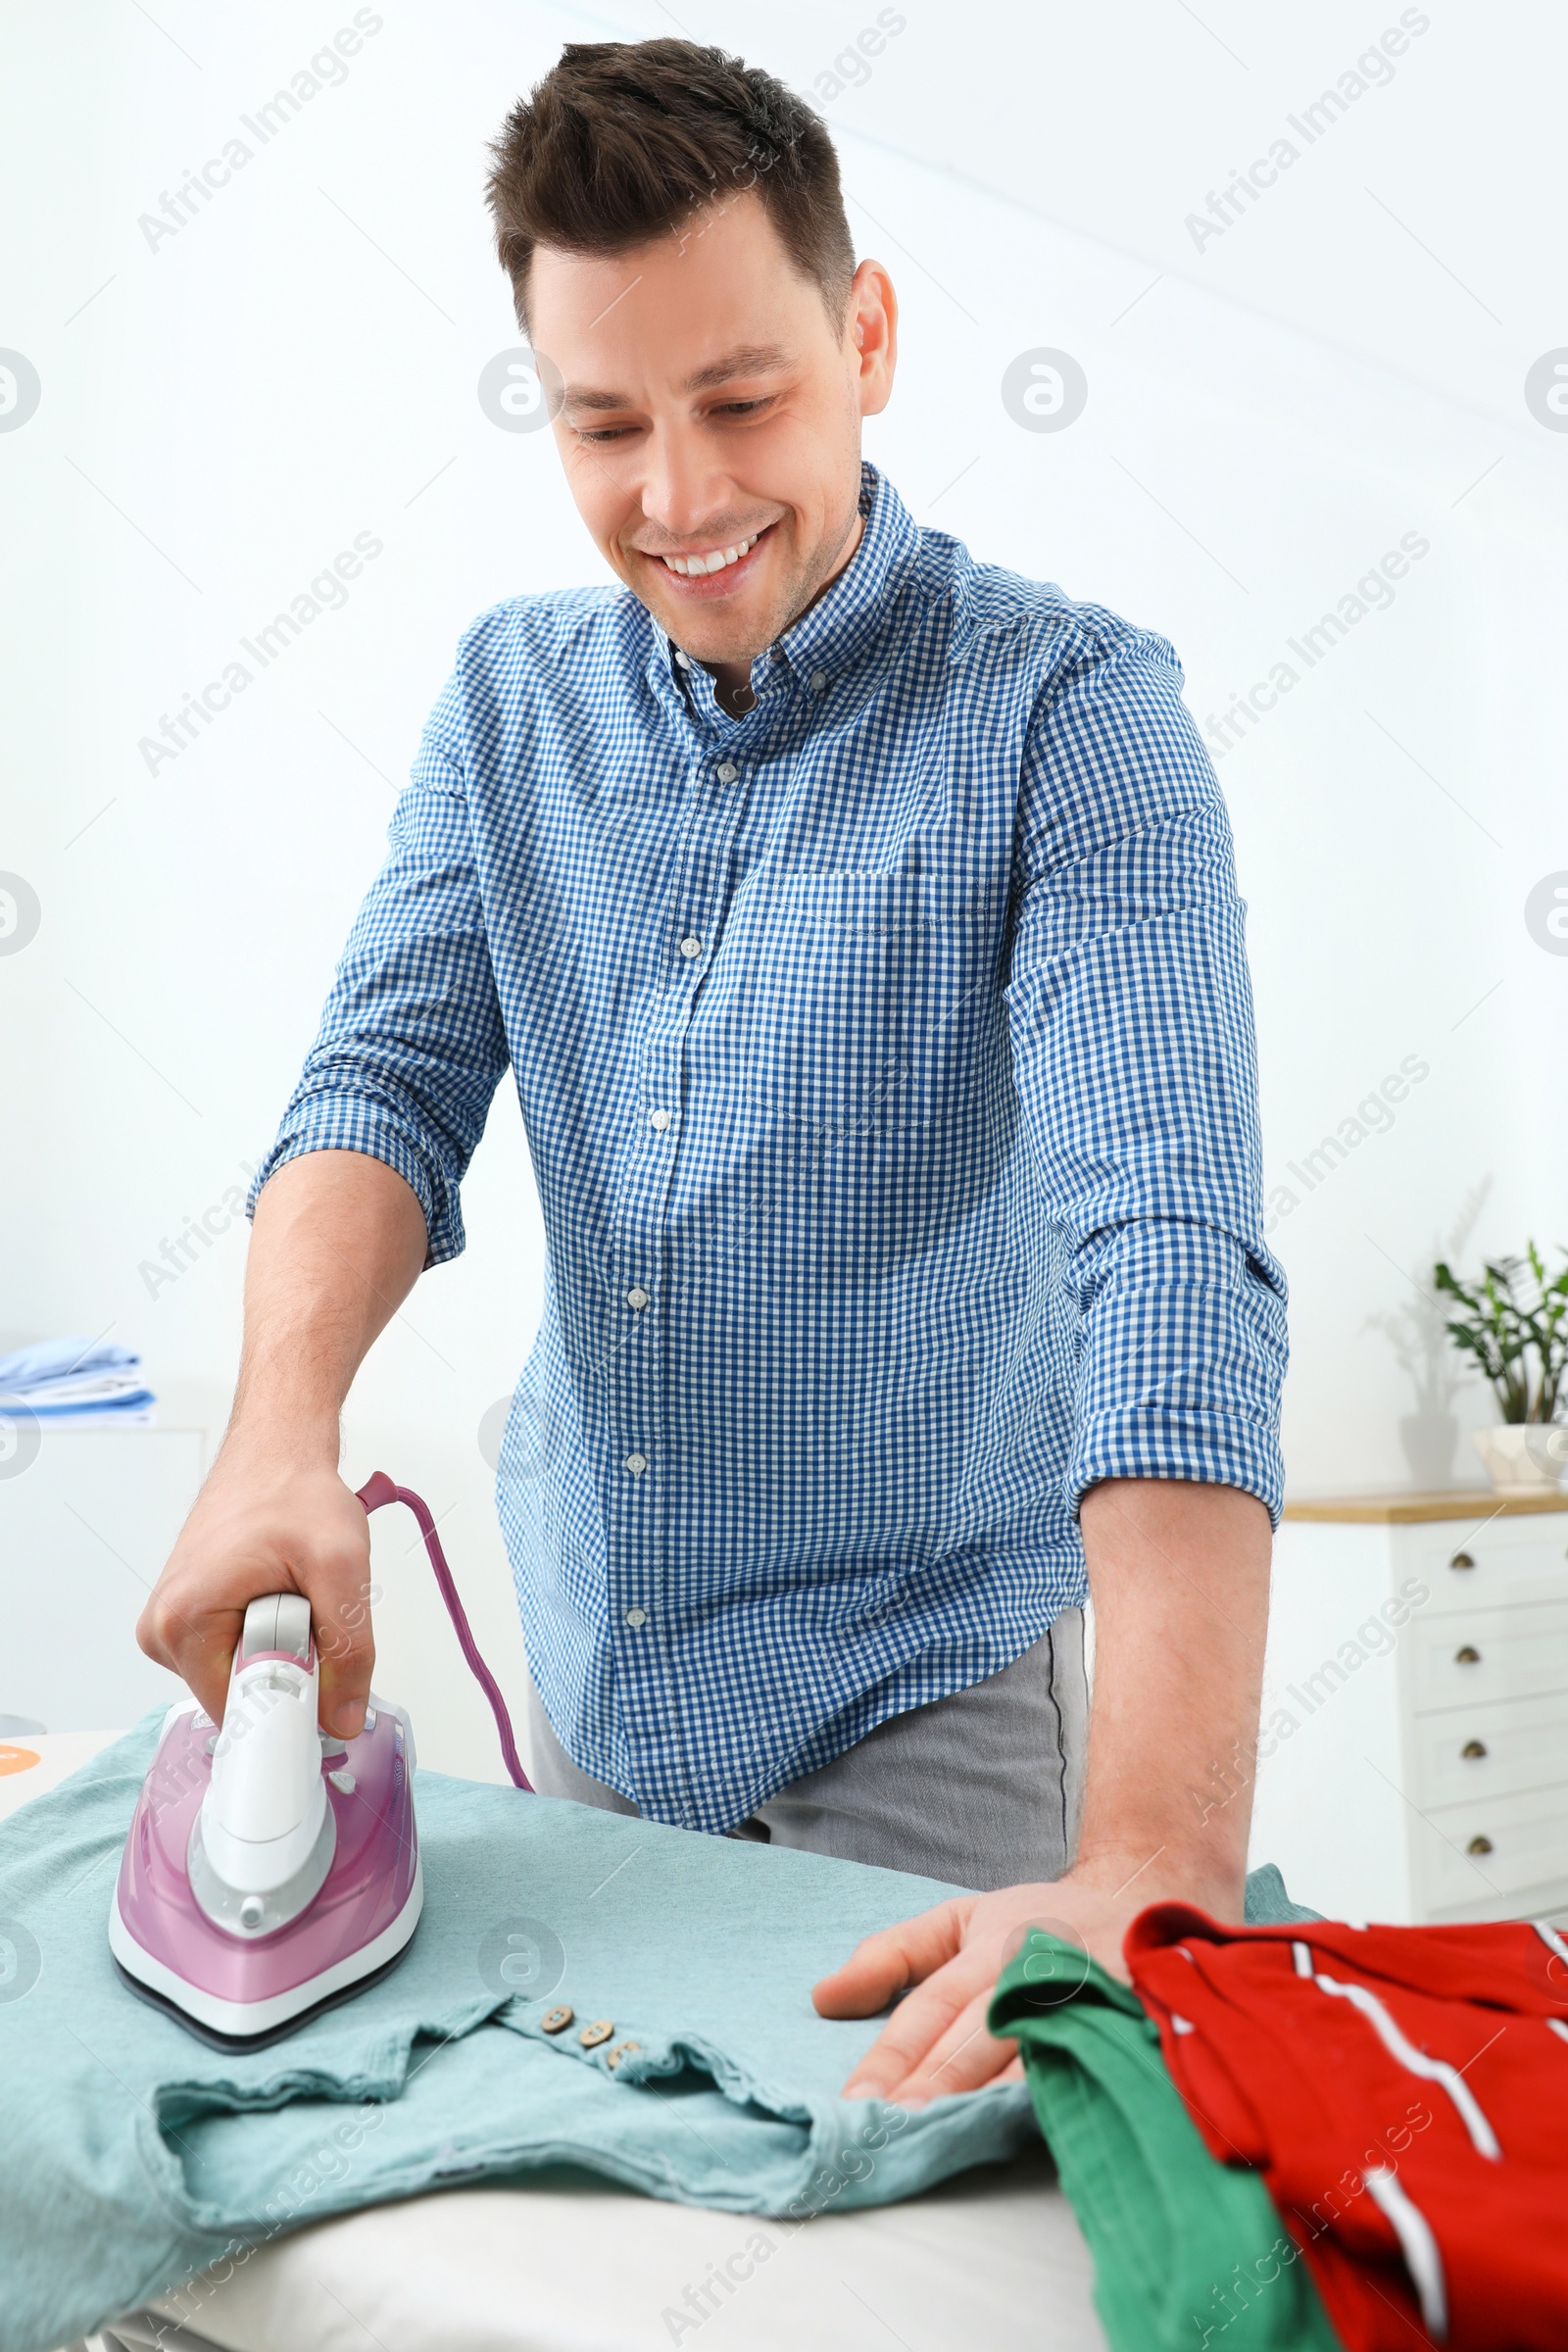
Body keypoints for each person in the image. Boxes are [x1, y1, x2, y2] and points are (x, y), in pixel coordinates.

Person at [138, 37, 1287, 2110]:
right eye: (602, 424)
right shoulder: (508, 703)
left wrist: (1152, 1858)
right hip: (597, 1684)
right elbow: (380, 1080)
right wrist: (275, 1430)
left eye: (740, 400)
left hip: (927, 1699)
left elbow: (1164, 1250)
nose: (675, 499)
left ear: (862, 334)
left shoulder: (1073, 721)